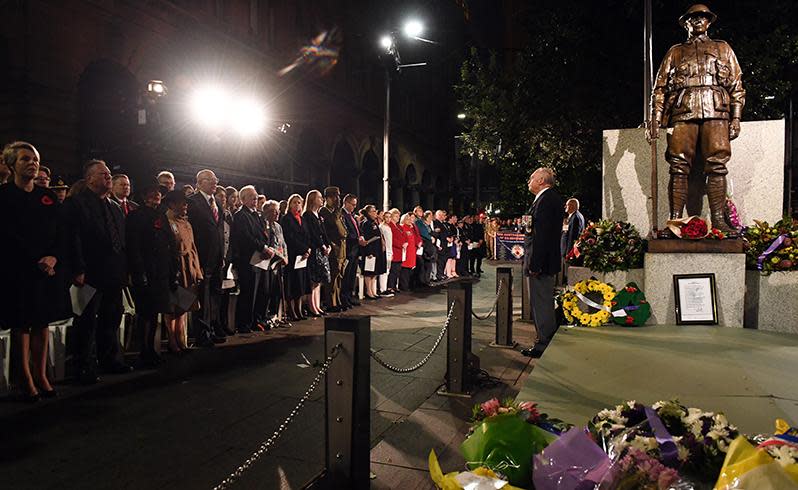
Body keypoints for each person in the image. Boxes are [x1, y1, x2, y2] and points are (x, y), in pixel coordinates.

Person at [649, 3, 745, 234]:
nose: (698, 21)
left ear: (709, 21)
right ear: (686, 23)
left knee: (717, 165)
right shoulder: (675, 52)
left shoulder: (723, 49)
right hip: (684, 110)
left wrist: (736, 117)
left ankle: (720, 221)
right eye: (693, 18)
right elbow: (659, 89)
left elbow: (737, 86)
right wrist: (655, 119)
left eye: (702, 17)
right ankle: (674, 221)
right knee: (678, 165)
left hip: (716, 111)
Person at [0, 141, 68, 401]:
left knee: (41, 323)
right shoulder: (3, 196)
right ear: (11, 164)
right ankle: (25, 378)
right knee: (21, 325)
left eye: (35, 159)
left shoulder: (47, 197)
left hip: (46, 271)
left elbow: (62, 232)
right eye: (25, 159)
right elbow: (6, 236)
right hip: (16, 271)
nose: (32, 163)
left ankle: (41, 375)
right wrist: (34, 260)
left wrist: (54, 257)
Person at [64, 159, 132, 383]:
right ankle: (82, 365)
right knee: (86, 320)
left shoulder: (113, 206)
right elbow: (72, 237)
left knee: (111, 316)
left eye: (109, 174)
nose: (108, 177)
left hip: (114, 271)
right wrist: (78, 268)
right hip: (90, 270)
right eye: (103, 174)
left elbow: (121, 241)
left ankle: (109, 359)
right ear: (89, 178)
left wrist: (125, 269)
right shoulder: (77, 203)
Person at [125, 184, 176, 362]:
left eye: (159, 193)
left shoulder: (161, 216)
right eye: (152, 192)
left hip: (161, 272)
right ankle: (143, 351)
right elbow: (134, 246)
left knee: (155, 312)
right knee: (145, 312)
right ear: (144, 195)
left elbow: (169, 243)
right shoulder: (136, 216)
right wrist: (139, 272)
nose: (156, 195)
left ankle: (151, 349)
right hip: (145, 271)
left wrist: (171, 270)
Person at [521, 168, 564, 359]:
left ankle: (544, 344)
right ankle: (543, 340)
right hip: (543, 261)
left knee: (541, 303)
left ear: (540, 180)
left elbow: (542, 237)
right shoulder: (546, 199)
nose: (528, 181)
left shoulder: (546, 200)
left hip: (541, 263)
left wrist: (535, 264)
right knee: (541, 302)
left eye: (531, 178)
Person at [187, 169, 226, 346]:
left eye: (215, 179)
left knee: (215, 294)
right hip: (202, 257)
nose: (214, 182)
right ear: (199, 182)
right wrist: (195, 261)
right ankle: (202, 333)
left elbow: (219, 230)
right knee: (202, 296)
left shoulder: (217, 201)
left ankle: (213, 326)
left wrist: (222, 254)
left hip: (217, 257)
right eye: (210, 180)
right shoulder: (193, 202)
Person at [163, 190, 203, 352]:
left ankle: (181, 339)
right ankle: (172, 340)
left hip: (189, 267)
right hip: (175, 267)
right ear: (172, 204)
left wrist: (197, 270)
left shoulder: (187, 223)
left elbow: (193, 247)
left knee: (184, 306)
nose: (185, 206)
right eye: (182, 202)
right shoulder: (166, 221)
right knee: (172, 307)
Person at [232, 186, 273, 333]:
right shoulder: (241, 216)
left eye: (256, 197)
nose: (255, 199)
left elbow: (263, 234)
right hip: (248, 260)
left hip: (260, 259)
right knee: (249, 292)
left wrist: (268, 247)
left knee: (262, 291)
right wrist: (263, 248)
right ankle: (244, 323)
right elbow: (246, 237)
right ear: (243, 199)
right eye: (251, 197)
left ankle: (257, 320)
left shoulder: (257, 215)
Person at [280, 193, 311, 321]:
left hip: (302, 257)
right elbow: (289, 237)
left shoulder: (302, 219)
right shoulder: (286, 219)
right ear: (289, 204)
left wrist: (308, 249)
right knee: (291, 283)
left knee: (300, 284)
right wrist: (303, 249)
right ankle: (291, 310)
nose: (297, 204)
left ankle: (299, 309)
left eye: (299, 202)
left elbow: (307, 236)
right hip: (293, 255)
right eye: (294, 202)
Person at [319, 186, 347, 312]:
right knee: (333, 276)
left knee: (340, 275)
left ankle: (338, 300)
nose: (338, 199)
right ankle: (331, 302)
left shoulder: (337, 211)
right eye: (335, 196)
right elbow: (329, 227)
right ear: (328, 198)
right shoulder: (324, 212)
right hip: (333, 247)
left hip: (342, 247)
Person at [262, 200, 290, 327]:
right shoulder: (264, 225)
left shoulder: (278, 226)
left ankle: (275, 316)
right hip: (269, 262)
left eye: (278, 211)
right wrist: (279, 256)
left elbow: (283, 243)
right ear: (266, 212)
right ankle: (266, 316)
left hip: (280, 263)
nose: (277, 213)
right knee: (268, 290)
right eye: (274, 211)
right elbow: (269, 245)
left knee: (278, 291)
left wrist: (285, 257)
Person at [216, 186, 237, 335]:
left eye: (224, 196)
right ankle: (216, 324)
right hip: (217, 259)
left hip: (228, 259)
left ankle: (224, 323)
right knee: (217, 296)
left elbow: (232, 237)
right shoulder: (215, 214)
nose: (223, 199)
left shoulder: (228, 214)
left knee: (226, 295)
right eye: (220, 196)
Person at [341, 194, 365, 307]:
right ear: (346, 202)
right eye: (352, 204)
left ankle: (350, 296)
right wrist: (356, 239)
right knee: (346, 276)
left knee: (352, 275)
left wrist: (361, 237)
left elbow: (357, 230)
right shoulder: (342, 215)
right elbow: (345, 232)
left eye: (355, 205)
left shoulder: (352, 216)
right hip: (348, 249)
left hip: (355, 250)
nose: (354, 207)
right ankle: (344, 298)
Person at [358, 205, 382, 299]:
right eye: (372, 211)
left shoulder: (374, 222)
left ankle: (373, 290)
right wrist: (368, 251)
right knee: (369, 271)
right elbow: (365, 238)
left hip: (376, 249)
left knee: (374, 272)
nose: (375, 213)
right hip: (369, 250)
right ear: (368, 213)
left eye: (375, 211)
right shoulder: (366, 223)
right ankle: (368, 291)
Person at [386, 208, 406, 294]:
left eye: (399, 216)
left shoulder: (399, 226)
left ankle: (394, 286)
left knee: (397, 270)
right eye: (396, 216)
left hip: (401, 251)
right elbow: (391, 239)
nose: (398, 217)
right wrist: (400, 244)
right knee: (393, 270)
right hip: (394, 249)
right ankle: (390, 286)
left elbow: (404, 235)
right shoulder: (389, 225)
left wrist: (405, 242)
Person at [399, 212, 418, 291]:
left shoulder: (410, 228)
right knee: (405, 270)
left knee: (410, 269)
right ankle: (404, 286)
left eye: (409, 219)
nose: (409, 220)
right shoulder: (402, 227)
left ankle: (409, 285)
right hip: (406, 251)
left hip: (412, 251)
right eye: (407, 219)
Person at [377, 211, 393, 296]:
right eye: (386, 217)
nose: (388, 219)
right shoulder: (381, 227)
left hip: (390, 250)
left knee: (388, 270)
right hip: (385, 251)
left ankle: (385, 287)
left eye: (390, 217)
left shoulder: (389, 227)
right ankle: (382, 289)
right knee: (384, 270)